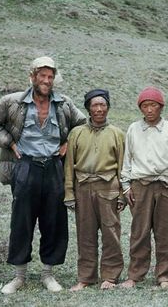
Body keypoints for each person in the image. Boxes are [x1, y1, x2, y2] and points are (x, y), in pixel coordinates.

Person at [0, 56, 86, 294]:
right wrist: (9, 143)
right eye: (42, 76)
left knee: (54, 222)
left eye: (50, 77)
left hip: (53, 168)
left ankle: (48, 275)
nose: (47, 81)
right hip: (24, 167)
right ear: (33, 76)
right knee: (22, 222)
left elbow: (82, 124)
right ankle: (19, 276)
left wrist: (68, 143)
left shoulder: (63, 103)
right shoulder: (13, 102)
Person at [120, 86, 168, 289]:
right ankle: (135, 275)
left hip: (165, 186)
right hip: (140, 186)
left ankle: (165, 274)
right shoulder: (133, 129)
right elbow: (127, 160)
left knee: (166, 233)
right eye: (145, 105)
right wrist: (125, 186)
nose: (149, 110)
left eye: (153, 105)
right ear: (141, 108)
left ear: (161, 107)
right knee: (139, 232)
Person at [63, 89, 126, 291]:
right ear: (88, 108)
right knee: (85, 234)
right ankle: (86, 277)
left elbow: (123, 166)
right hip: (83, 188)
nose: (99, 109)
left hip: (109, 188)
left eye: (103, 105)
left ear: (107, 107)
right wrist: (69, 194)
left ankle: (110, 276)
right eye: (94, 105)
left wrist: (123, 195)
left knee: (111, 233)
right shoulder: (76, 133)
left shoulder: (117, 134)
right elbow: (69, 165)